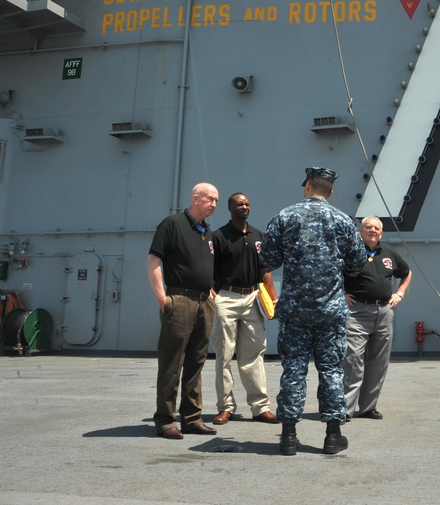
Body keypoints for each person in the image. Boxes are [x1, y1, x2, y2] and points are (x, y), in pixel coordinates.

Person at [259, 167, 367, 456]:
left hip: (294, 309)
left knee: (293, 368)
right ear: (330, 192)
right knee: (331, 369)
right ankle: (333, 435)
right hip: (330, 310)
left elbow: (267, 258)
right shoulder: (344, 220)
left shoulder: (285, 216)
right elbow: (358, 263)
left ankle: (288, 437)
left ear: (306, 186)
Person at [147, 182, 220, 439]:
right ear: (195, 198)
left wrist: (210, 290)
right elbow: (154, 260)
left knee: (196, 362)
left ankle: (191, 418)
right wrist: (162, 298)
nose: (213, 204)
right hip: (179, 300)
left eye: (216, 200)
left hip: (203, 302)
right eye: (209, 198)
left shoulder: (206, 232)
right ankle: (166, 421)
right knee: (172, 362)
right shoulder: (172, 224)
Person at [210, 193, 278, 426]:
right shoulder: (218, 236)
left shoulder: (259, 236)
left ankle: (260, 408)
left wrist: (273, 299)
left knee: (254, 355)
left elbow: (265, 271)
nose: (244, 207)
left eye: (247, 203)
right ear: (230, 208)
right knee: (224, 355)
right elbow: (208, 268)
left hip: (252, 297)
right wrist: (212, 292)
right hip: (226, 297)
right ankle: (225, 407)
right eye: (239, 204)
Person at [342, 216, 411, 421]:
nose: (372, 230)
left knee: (379, 361)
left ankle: (368, 407)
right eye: (368, 227)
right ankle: (345, 408)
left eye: (376, 228)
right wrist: (341, 293)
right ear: (360, 231)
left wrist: (399, 293)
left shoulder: (389, 253)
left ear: (381, 233)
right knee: (353, 360)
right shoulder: (350, 251)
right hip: (356, 313)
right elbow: (332, 273)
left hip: (383, 312)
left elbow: (406, 273)